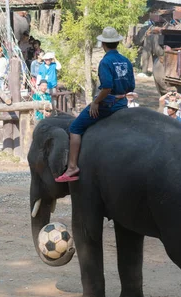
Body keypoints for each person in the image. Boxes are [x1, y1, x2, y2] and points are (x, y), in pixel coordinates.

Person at [56, 27, 135, 182]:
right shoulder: (126, 61)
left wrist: (96, 102)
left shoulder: (105, 61)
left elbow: (107, 86)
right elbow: (131, 86)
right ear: (117, 43)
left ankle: (72, 167)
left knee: (75, 128)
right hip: (122, 103)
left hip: (108, 104)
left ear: (104, 43)